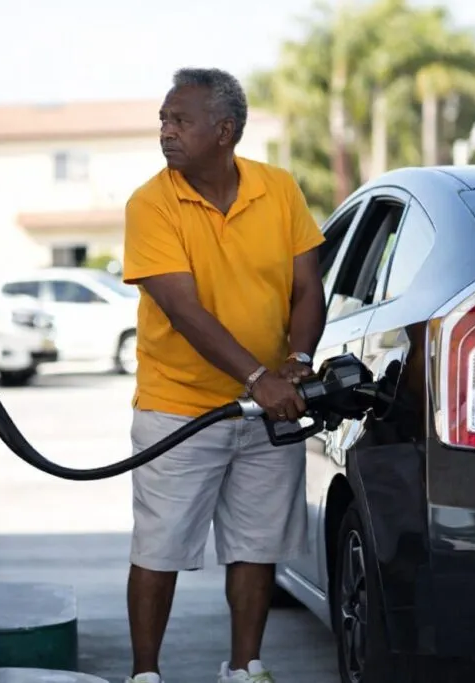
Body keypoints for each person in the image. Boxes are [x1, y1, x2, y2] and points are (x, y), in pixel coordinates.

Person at [121, 67, 326, 683]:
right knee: (159, 548)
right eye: (163, 119)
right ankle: (146, 675)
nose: (166, 132)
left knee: (255, 545)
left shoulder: (278, 189)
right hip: (178, 408)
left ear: (224, 130)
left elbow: (306, 287)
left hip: (267, 407)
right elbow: (184, 311)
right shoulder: (152, 204)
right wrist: (260, 377)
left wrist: (299, 362)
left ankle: (245, 667)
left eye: (180, 120)